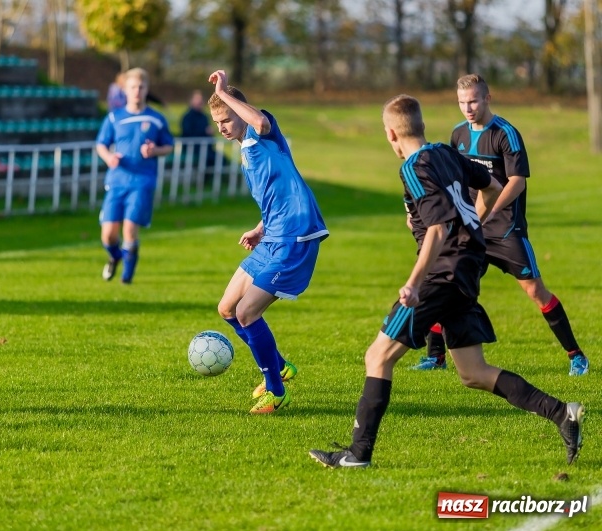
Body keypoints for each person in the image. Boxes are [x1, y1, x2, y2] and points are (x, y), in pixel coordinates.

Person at [308, 95, 584, 468]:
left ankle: (358, 454)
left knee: (377, 357)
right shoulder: (446, 152)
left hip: (442, 274)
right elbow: (490, 186)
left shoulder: (412, 168)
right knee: (473, 373)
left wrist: (414, 282)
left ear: (391, 134)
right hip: (466, 270)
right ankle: (560, 413)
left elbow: (438, 229)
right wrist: (474, 224)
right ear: (420, 125)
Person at [416, 74, 588, 376]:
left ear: (487, 99)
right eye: (461, 102)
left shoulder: (506, 134)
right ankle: (435, 356)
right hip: (472, 227)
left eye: (473, 101)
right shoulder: (457, 135)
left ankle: (576, 355)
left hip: (506, 229)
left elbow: (517, 182)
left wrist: (487, 211)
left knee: (536, 291)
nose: (467, 108)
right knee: (445, 282)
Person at [208, 70, 329, 414]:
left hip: (295, 236)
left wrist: (224, 91)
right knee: (228, 308)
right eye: (216, 121)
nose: (222, 126)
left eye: (226, 118)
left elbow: (259, 121)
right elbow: (277, 192)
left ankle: (276, 391)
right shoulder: (246, 153)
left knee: (247, 312)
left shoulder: (263, 135)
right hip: (272, 236)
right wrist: (261, 227)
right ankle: (281, 366)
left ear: (240, 110)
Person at [96, 68, 174, 284]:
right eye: (133, 87)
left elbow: (169, 146)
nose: (137, 91)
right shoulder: (114, 117)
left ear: (147, 89)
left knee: (130, 228)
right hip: (117, 179)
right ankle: (115, 257)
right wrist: (109, 157)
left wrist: (154, 151)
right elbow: (101, 145)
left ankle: (126, 279)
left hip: (142, 181)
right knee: (108, 235)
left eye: (141, 87)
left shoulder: (156, 119)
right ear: (125, 90)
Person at [181, 89, 217, 168]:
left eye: (201, 100)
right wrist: (204, 131)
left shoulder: (204, 117)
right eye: (197, 100)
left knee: (220, 158)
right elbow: (187, 133)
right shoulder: (187, 117)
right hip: (192, 147)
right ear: (192, 101)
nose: (199, 102)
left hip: (206, 147)